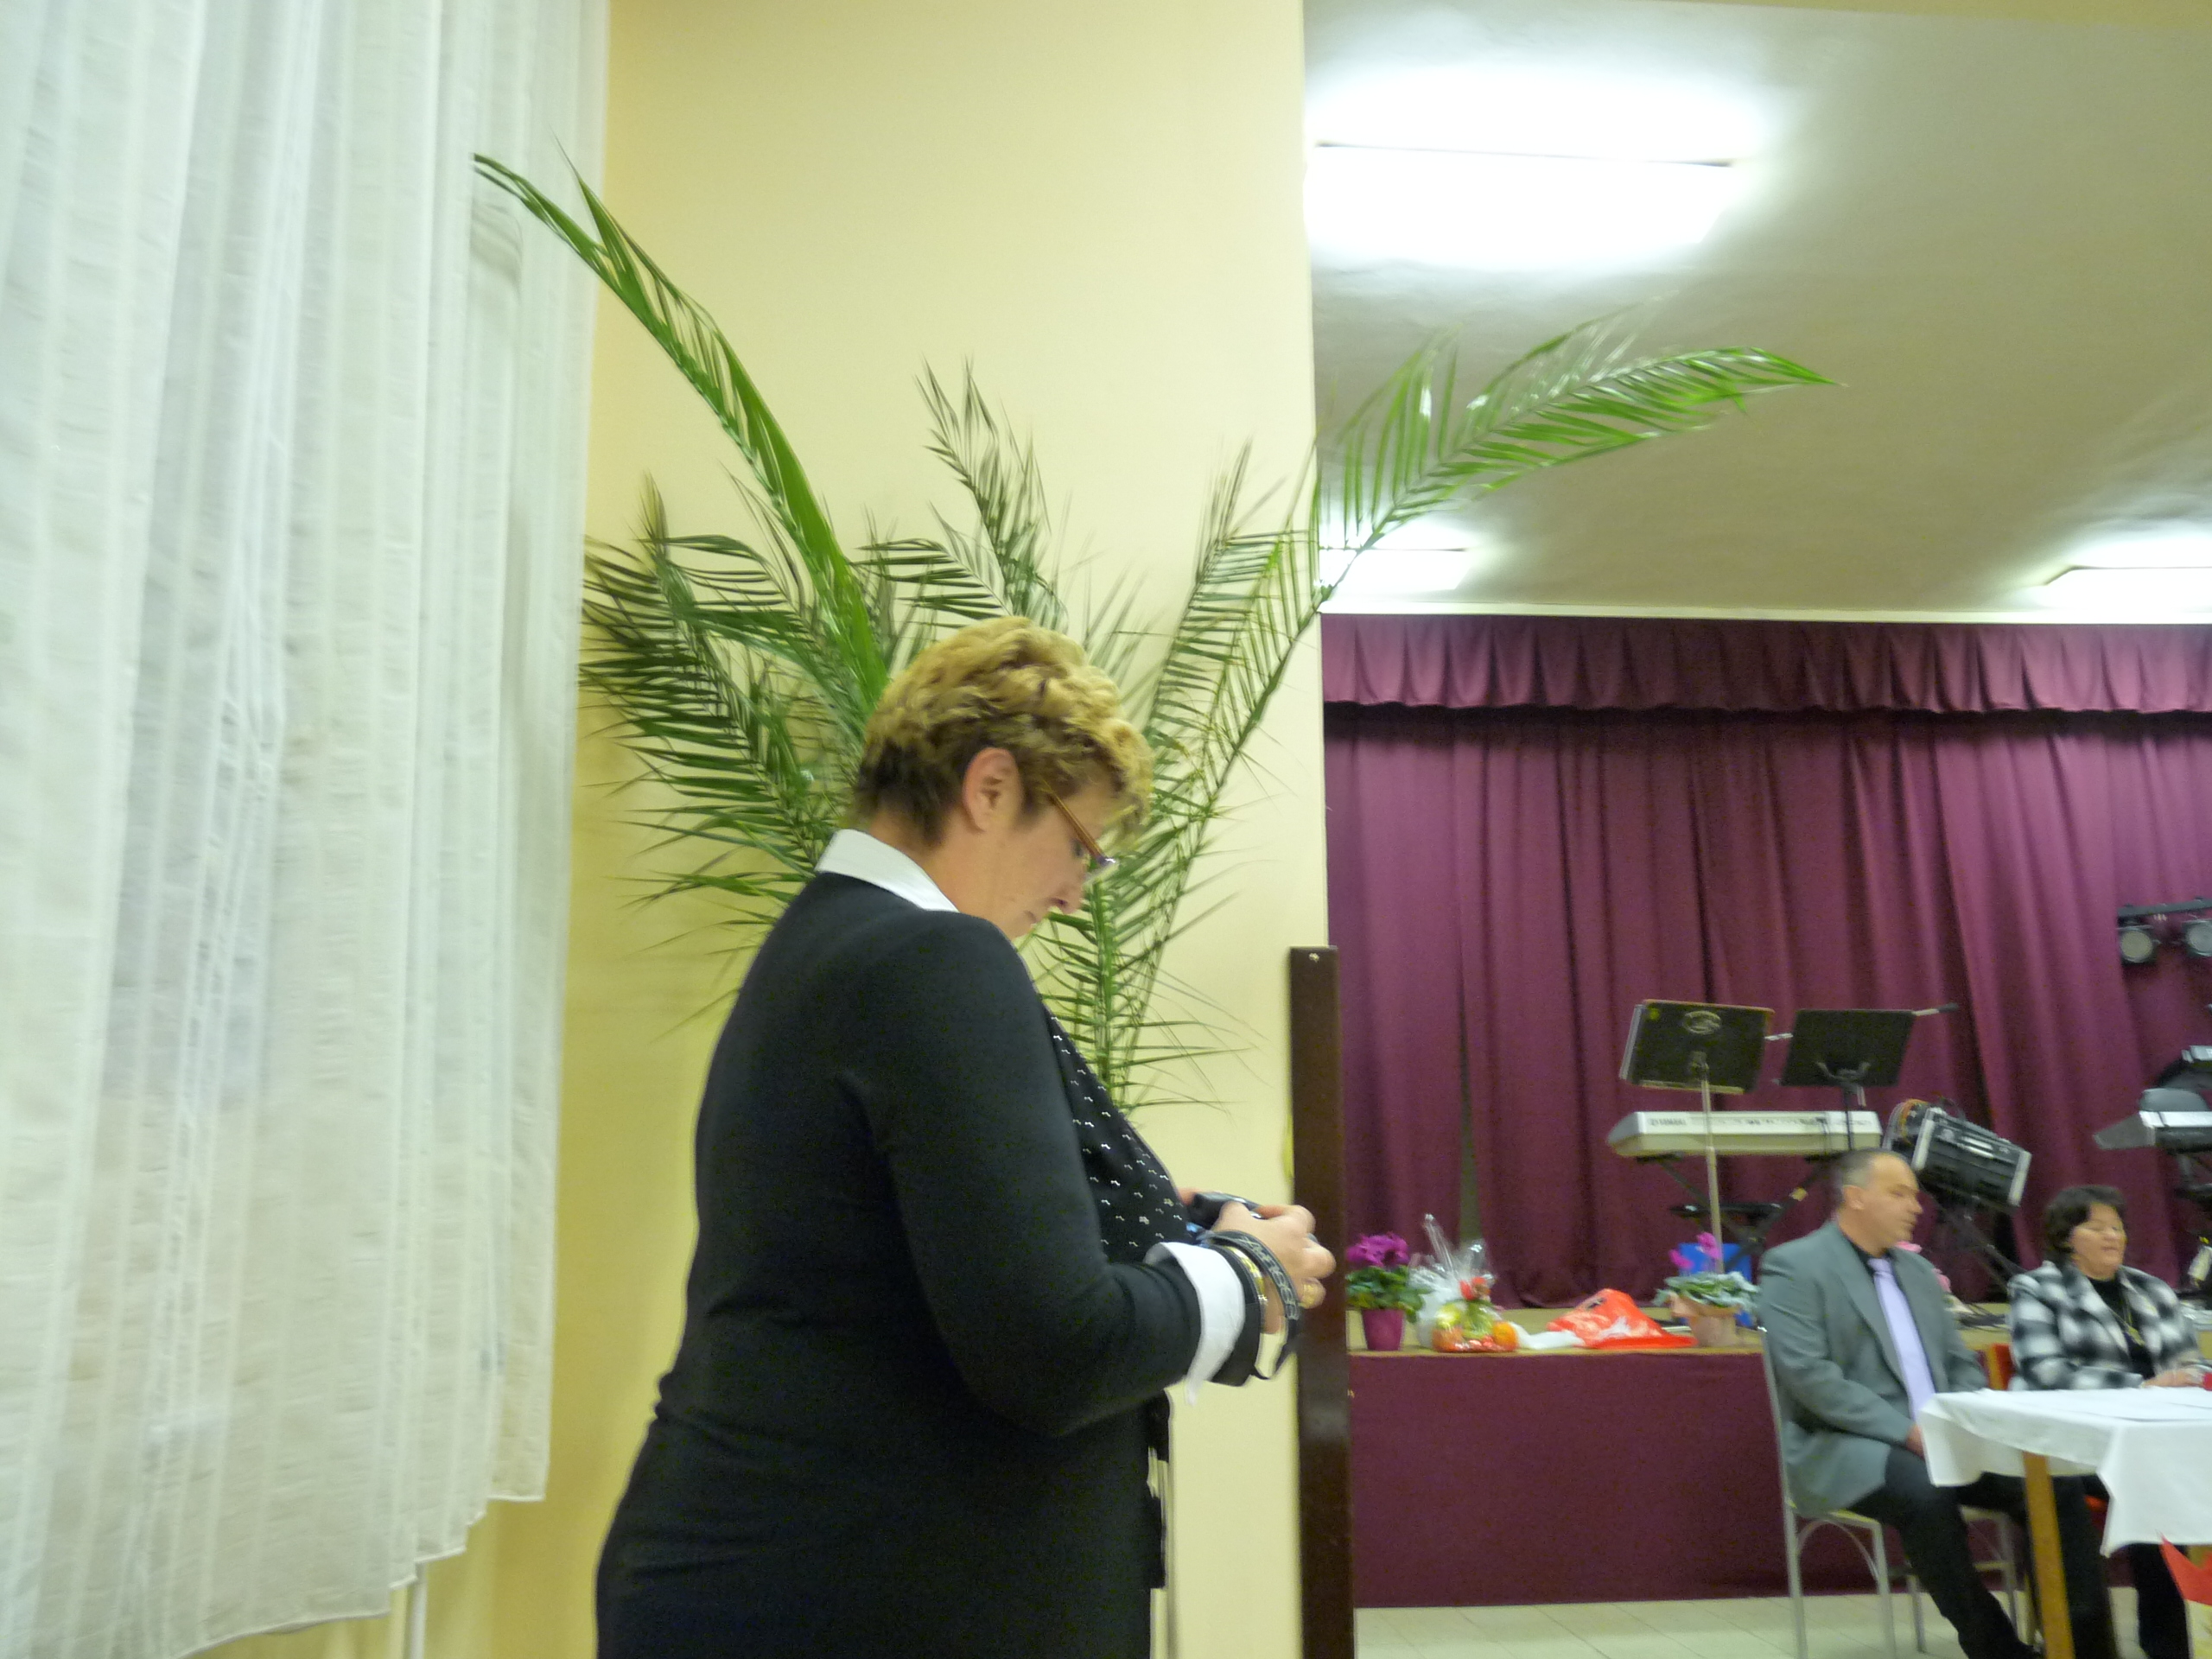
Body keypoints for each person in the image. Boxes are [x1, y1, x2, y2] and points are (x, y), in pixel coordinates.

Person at [593, 617, 1335, 1659]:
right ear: (990, 788)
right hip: (855, 1595)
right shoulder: (936, 959)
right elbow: (1053, 1350)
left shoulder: (828, 944)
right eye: (1079, 847)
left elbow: (920, 1243)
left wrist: (1153, 1221)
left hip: (776, 1575)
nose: (1075, 893)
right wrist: (1247, 1277)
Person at [1761, 1148, 2118, 1659]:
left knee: (2052, 1480)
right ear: (1855, 1198)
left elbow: (1958, 1361)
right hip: (1848, 1441)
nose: (1916, 1207)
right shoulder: (1794, 1265)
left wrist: (1968, 1419)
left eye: (1915, 1195)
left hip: (1945, 1435)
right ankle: (1994, 1647)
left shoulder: (1916, 1270)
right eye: (1899, 1194)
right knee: (1926, 1495)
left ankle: (2082, 1646)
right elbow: (1810, 1377)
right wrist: (1906, 1431)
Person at [2010, 1184, 2205, 1659]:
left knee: (2174, 1476)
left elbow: (2190, 1367)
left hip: (2157, 1436)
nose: (2112, 1236)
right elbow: (2046, 1373)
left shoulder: (2151, 1289)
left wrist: (2187, 1380)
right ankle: (2163, 1641)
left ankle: (2180, 1635)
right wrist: (2141, 1385)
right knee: (2157, 1483)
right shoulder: (2037, 1289)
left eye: (2117, 1227)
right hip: (2075, 1444)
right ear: (2066, 1238)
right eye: (2096, 1227)